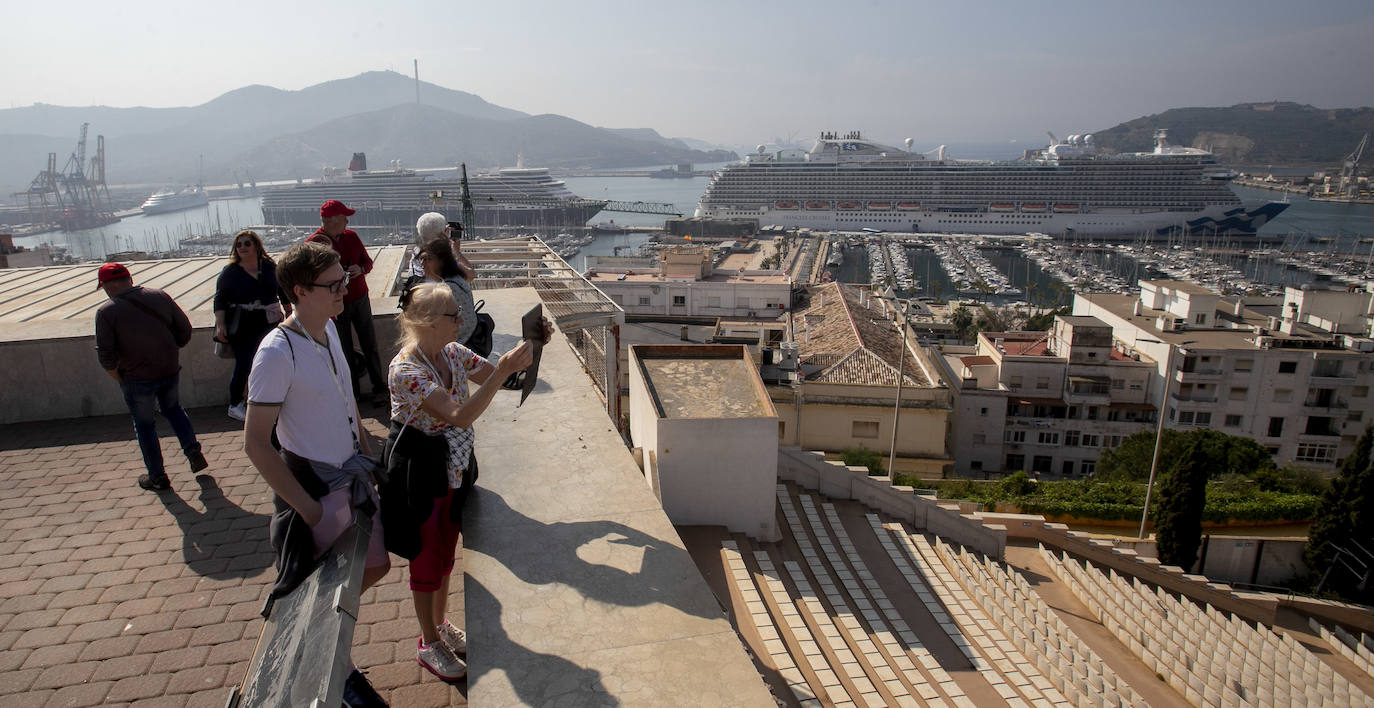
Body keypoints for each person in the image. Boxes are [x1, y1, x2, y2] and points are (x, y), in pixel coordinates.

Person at [242, 242, 391, 708]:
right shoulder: (276, 352)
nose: (344, 290)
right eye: (333, 284)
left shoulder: (327, 332)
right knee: (328, 588)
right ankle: (334, 670)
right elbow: (255, 443)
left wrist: (366, 453)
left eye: (343, 279)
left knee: (374, 565)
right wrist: (306, 509)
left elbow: (346, 406)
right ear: (300, 291)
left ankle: (330, 649)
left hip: (350, 482)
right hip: (319, 494)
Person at [379, 282, 535, 683]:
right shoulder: (406, 370)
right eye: (453, 314)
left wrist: (527, 354)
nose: (461, 319)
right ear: (428, 322)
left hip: (453, 466)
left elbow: (502, 379)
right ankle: (428, 642)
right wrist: (502, 371)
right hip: (423, 471)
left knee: (446, 552)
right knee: (427, 556)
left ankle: (440, 622)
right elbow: (461, 415)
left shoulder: (449, 351)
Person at [94, 262, 208, 491]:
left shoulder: (106, 312)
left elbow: (106, 355)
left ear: (106, 286)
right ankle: (193, 450)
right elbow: (185, 329)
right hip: (168, 368)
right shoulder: (160, 296)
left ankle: (157, 476)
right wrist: (170, 350)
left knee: (145, 426)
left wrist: (119, 377)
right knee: (174, 410)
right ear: (130, 279)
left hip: (136, 377)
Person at [308, 200, 386, 406]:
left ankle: (380, 387)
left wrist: (361, 269)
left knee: (370, 344)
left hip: (359, 297)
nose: (347, 221)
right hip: (335, 303)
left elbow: (367, 262)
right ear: (332, 221)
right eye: (344, 217)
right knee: (343, 349)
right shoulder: (314, 243)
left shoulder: (352, 237)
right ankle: (353, 394)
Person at [213, 230, 284, 421]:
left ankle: (269, 399)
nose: (242, 247)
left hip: (268, 322)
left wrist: (290, 312)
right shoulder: (231, 272)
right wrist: (220, 324)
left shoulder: (268, 266)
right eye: (239, 245)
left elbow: (282, 289)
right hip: (243, 324)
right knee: (244, 364)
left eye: (247, 243)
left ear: (256, 246)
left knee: (270, 361)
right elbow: (220, 299)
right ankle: (235, 403)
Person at [414, 237, 477, 346]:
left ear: (441, 261)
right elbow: (470, 272)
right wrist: (456, 251)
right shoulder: (457, 277)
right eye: (421, 259)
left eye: (427, 258)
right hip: (469, 340)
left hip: (458, 345)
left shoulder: (446, 289)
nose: (422, 264)